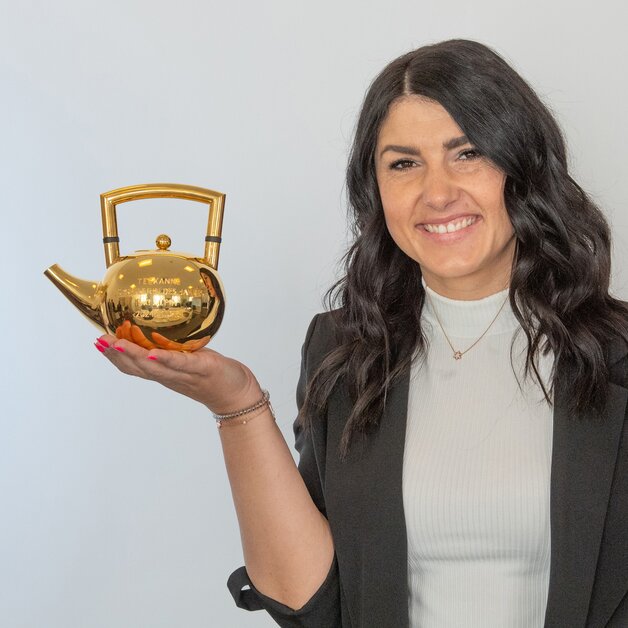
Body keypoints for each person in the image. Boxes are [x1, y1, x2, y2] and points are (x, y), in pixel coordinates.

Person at [95, 39, 628, 627]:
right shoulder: (343, 352)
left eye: (468, 153)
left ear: (522, 167)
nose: (438, 193)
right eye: (404, 164)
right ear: (375, 189)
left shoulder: (618, 353)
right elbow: (307, 601)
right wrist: (236, 402)